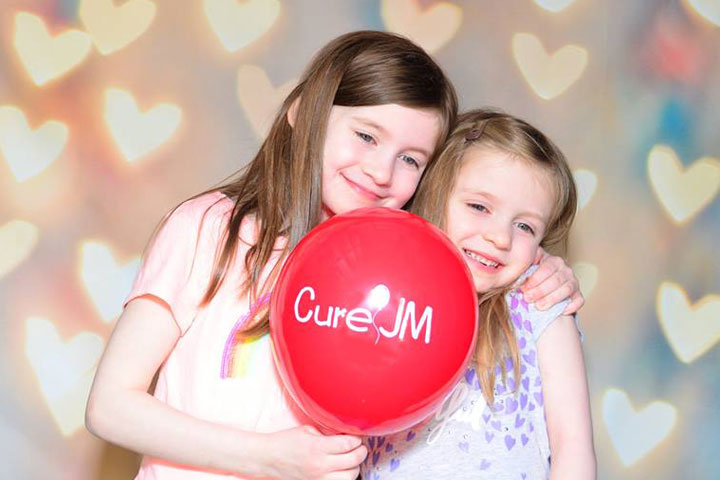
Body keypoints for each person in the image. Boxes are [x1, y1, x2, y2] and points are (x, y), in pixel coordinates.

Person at [85, 31, 582, 480]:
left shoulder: (394, 273)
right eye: (366, 136)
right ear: (302, 112)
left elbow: (483, 243)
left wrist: (540, 266)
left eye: (410, 159)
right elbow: (110, 406)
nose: (381, 171)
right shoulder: (211, 229)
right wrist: (266, 456)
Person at [362, 109, 596, 479]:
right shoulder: (382, 298)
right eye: (479, 207)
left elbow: (573, 443)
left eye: (524, 226)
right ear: (434, 194)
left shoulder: (538, 305)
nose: (501, 238)